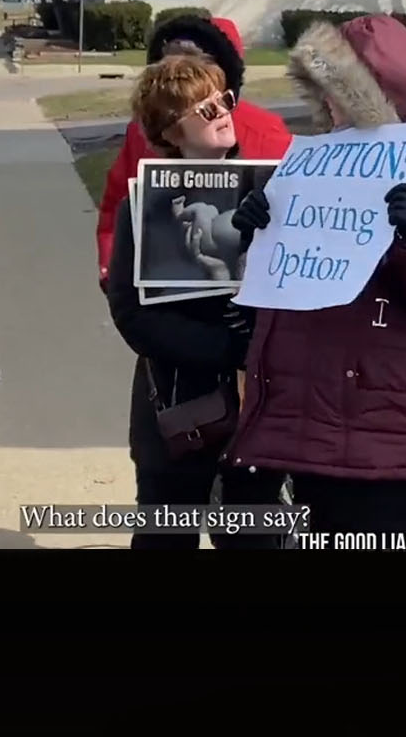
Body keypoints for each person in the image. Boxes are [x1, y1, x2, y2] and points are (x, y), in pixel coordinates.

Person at [226, 16, 406, 539]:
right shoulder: (313, 160)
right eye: (321, 92)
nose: (328, 105)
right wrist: (257, 228)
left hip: (388, 419)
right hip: (318, 414)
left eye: (339, 92)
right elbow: (288, 279)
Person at [105, 53, 289, 548]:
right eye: (204, 110)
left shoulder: (277, 192)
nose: (223, 112)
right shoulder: (142, 206)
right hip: (176, 402)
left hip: (259, 408)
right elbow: (131, 313)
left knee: (254, 534)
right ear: (170, 131)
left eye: (223, 100)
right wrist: (227, 349)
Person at [96, 15, 289, 289]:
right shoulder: (141, 134)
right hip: (168, 300)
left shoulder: (266, 131)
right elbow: (117, 207)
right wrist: (114, 271)